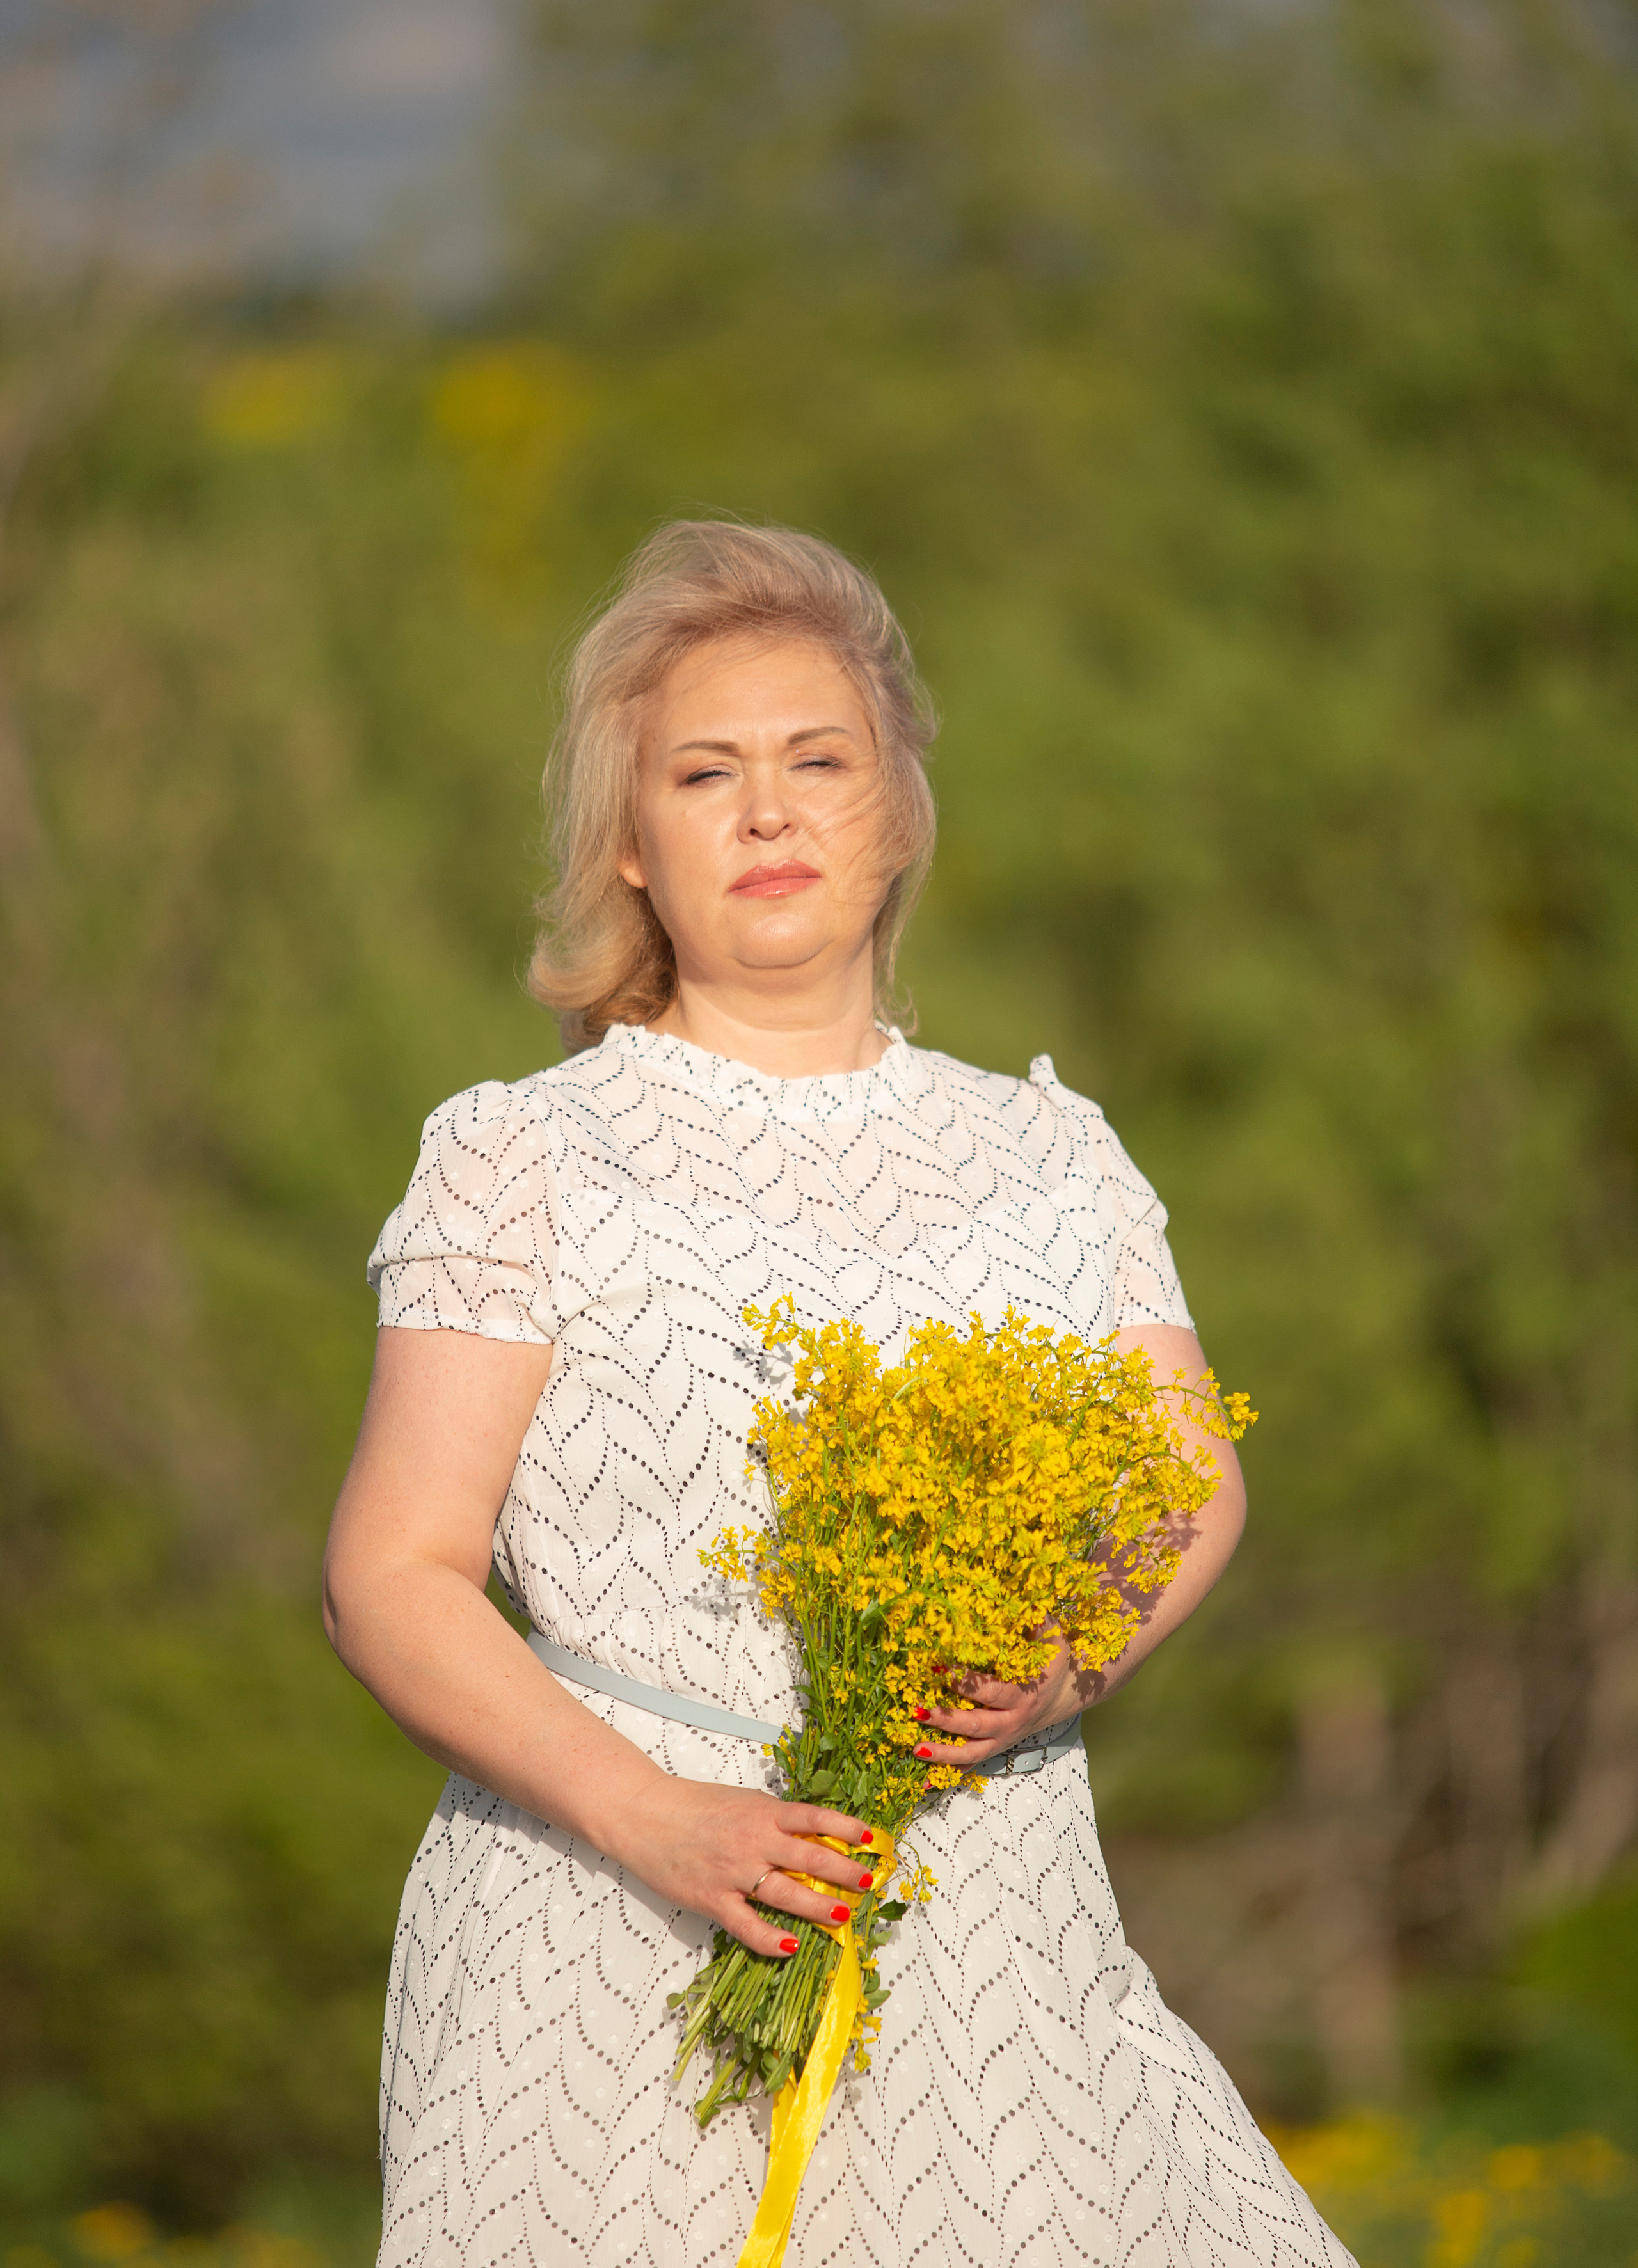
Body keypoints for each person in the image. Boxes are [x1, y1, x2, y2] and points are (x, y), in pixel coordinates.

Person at [323, 520, 1355, 2268]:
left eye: (821, 761)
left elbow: (1198, 1481)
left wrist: (1063, 1660)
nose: (771, 812)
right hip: (605, 1938)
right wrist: (665, 1819)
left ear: (896, 811)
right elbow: (392, 1573)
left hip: (996, 1922)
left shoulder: (1053, 1149)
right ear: (633, 848)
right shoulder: (521, 1155)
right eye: (706, 774)